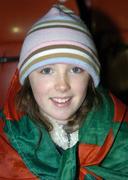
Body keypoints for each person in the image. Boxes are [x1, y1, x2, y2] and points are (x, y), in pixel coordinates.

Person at [0, 2, 128, 180]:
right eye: (46, 70)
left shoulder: (119, 129)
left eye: (76, 70)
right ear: (27, 77)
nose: (62, 85)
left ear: (91, 78)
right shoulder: (6, 138)